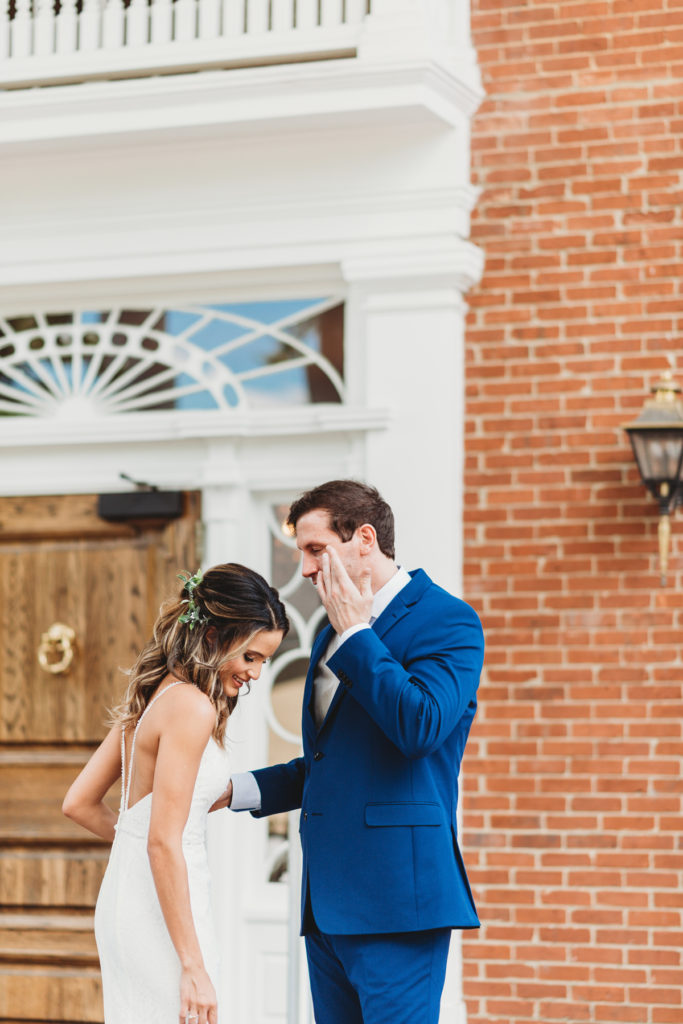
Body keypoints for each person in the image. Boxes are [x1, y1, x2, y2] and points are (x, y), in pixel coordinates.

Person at [226, 480, 485, 1024]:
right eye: (302, 552)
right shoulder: (328, 633)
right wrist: (234, 790)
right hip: (326, 907)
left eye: (316, 549)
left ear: (364, 538)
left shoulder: (448, 620)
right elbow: (329, 764)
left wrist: (358, 633)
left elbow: (420, 726)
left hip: (399, 905)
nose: (305, 570)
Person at [63, 563, 288, 1024]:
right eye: (250, 656)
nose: (256, 673)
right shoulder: (193, 707)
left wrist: (137, 847)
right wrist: (192, 964)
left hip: (130, 897)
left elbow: (79, 803)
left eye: (264, 660)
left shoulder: (151, 697)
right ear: (212, 636)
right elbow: (163, 840)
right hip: (158, 917)